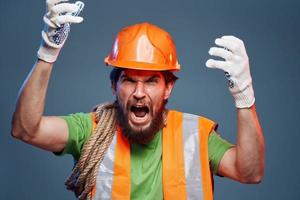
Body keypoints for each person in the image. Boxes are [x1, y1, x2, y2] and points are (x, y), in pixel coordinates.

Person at [11, 0, 264, 200]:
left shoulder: (196, 136)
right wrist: (47, 52)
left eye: (152, 81)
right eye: (129, 80)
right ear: (114, 85)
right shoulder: (91, 131)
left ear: (168, 88)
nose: (139, 92)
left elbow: (249, 172)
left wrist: (244, 96)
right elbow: (26, 129)